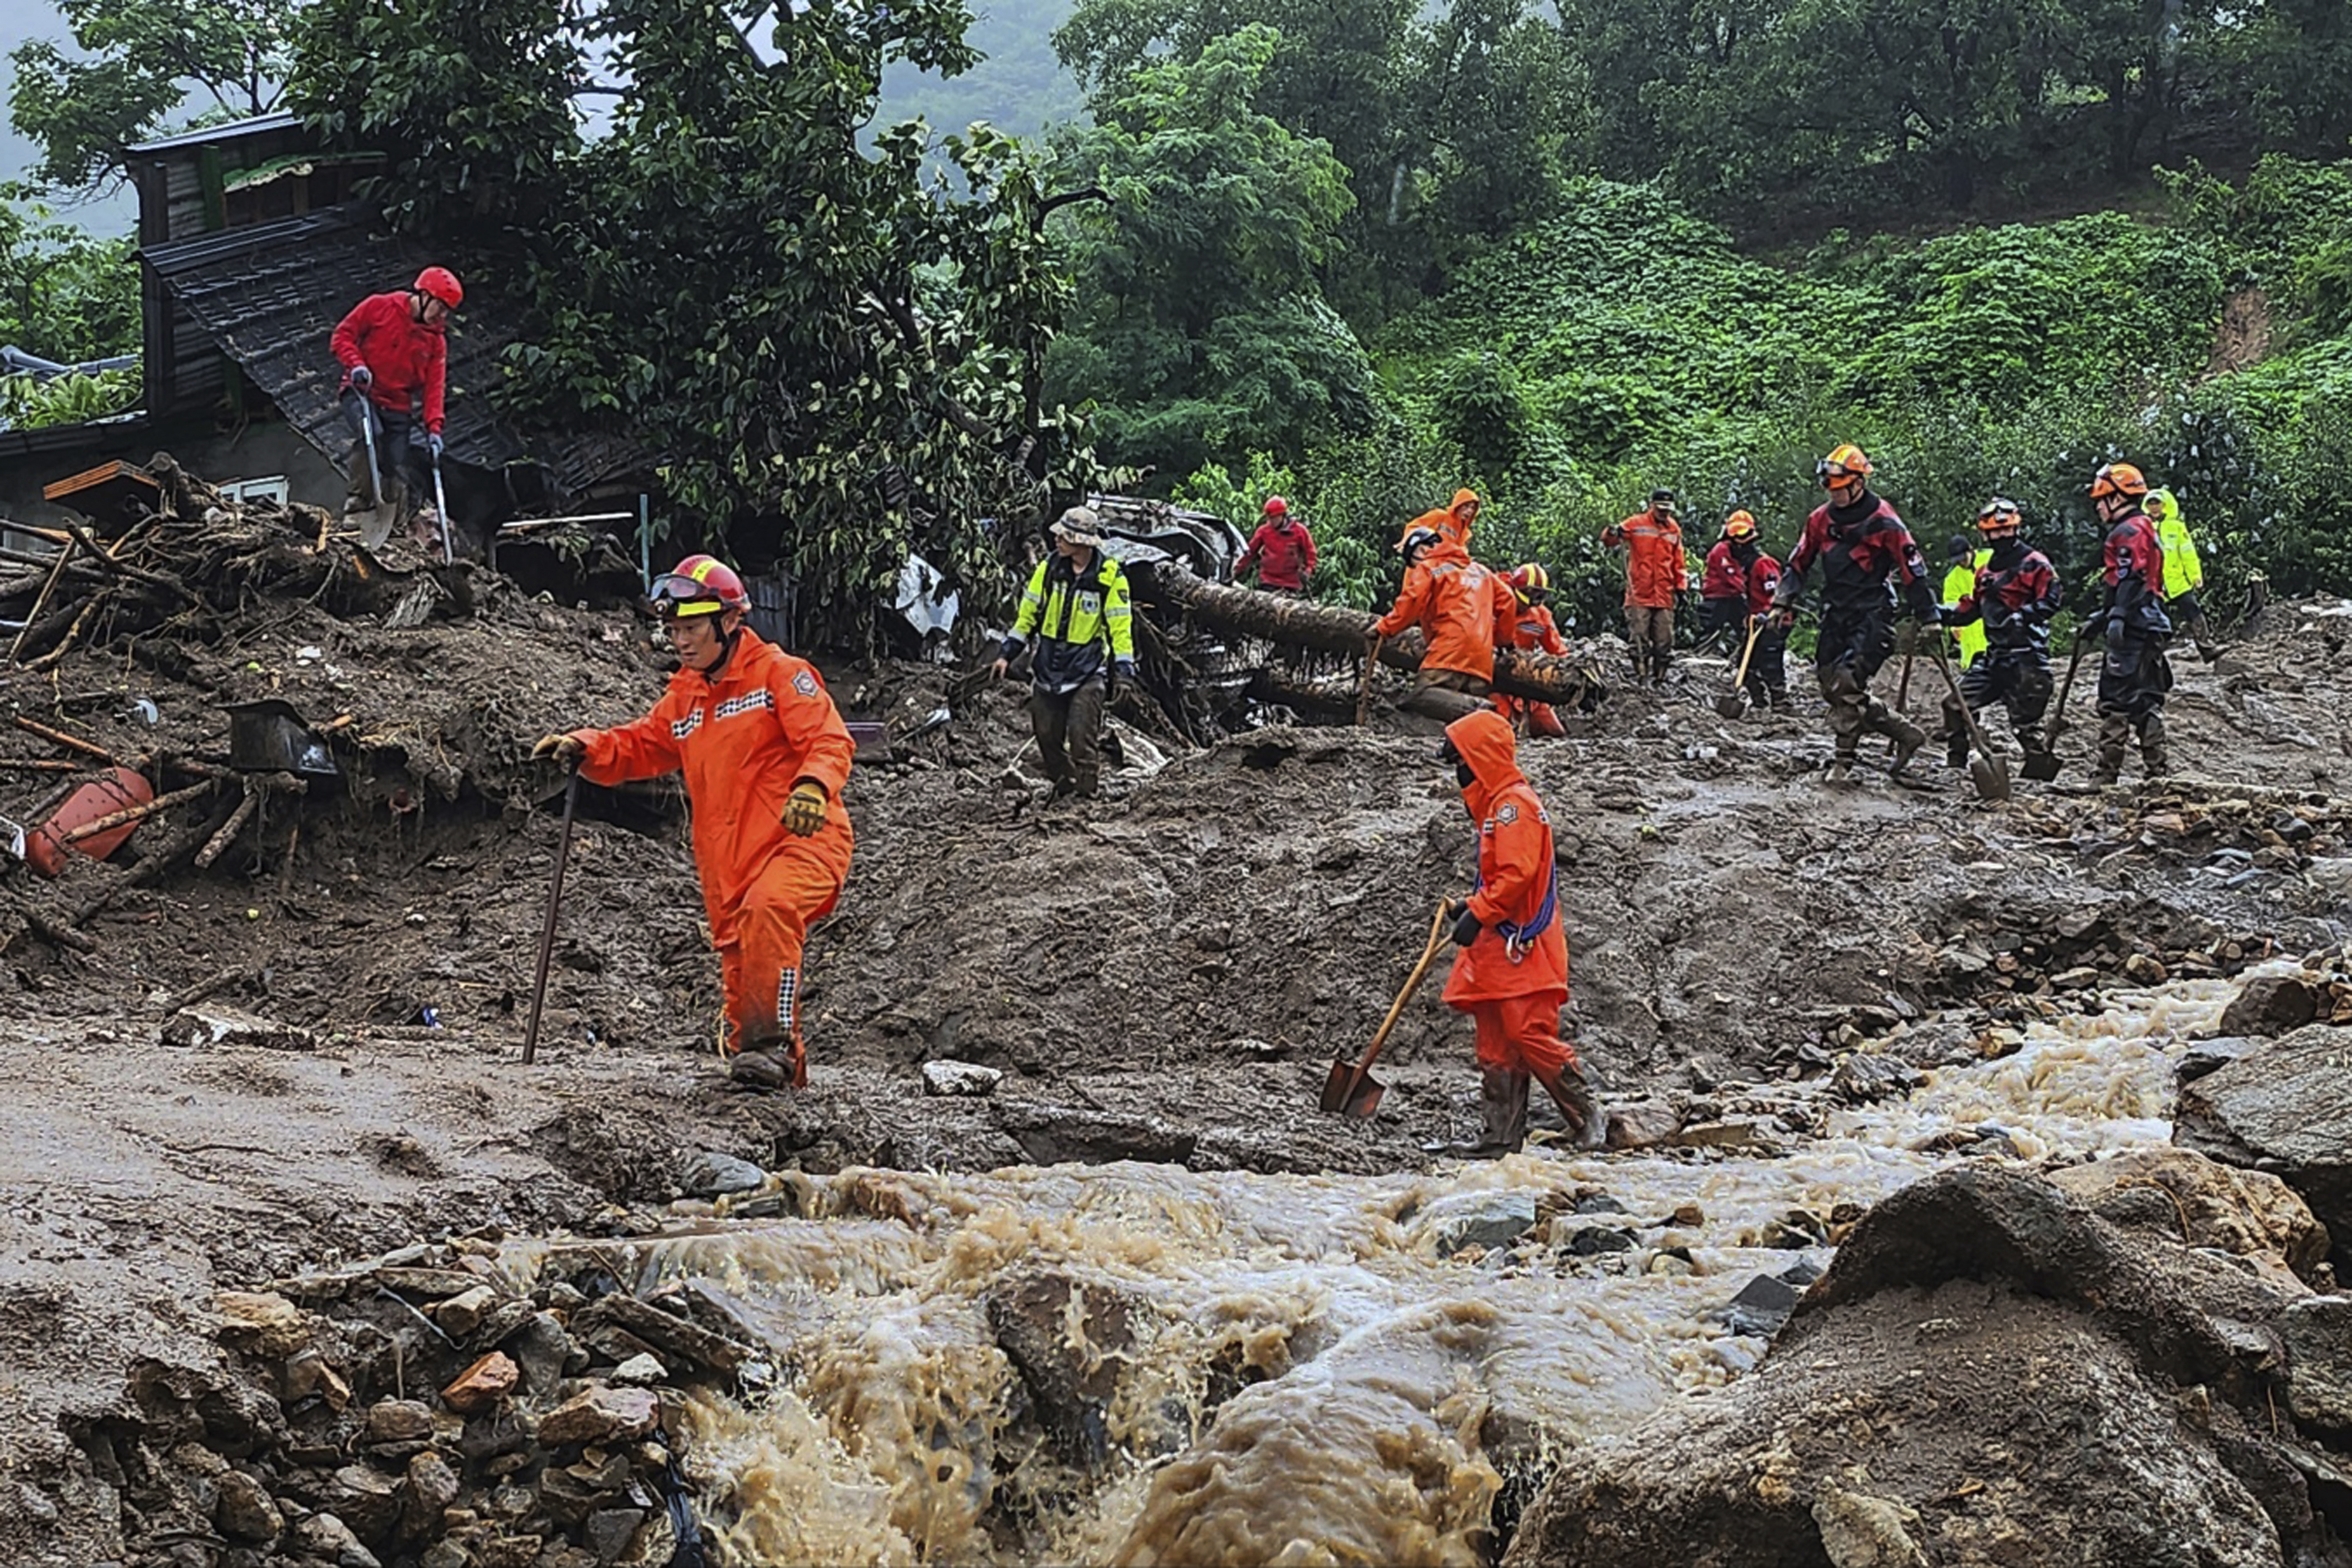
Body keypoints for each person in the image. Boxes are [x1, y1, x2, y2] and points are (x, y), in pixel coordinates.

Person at [533, 555, 853, 1091]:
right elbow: (642, 745)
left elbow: (828, 739)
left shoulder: (780, 674)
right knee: (739, 967)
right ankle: (776, 1089)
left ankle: (769, 1050)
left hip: (800, 840)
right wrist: (585, 746)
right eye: (673, 630)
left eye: (691, 629)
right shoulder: (687, 694)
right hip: (727, 860)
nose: (680, 641)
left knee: (770, 910)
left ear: (729, 622)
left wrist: (813, 786)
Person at [1434, 710, 1603, 1156]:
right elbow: (1503, 876)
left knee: (1529, 1033)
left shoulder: (1514, 807)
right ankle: (1500, 1138)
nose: (1459, 770)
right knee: (1495, 1040)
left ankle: (1587, 1118)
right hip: (1500, 941)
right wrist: (1471, 907)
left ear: (1482, 757)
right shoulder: (1498, 807)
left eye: (1463, 758)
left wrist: (1480, 910)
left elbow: (1518, 874)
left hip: (1521, 942)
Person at [1770, 445, 1938, 784]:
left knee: (1848, 680)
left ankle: (1843, 762)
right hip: (1837, 608)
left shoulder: (1885, 522)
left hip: (1874, 609)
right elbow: (1799, 563)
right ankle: (1903, 732)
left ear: (1858, 483)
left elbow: (1912, 569)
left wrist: (1930, 616)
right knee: (1830, 684)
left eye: (1840, 488)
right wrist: (1782, 601)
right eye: (1829, 488)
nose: (1835, 495)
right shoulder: (1820, 520)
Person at [992, 507, 1136, 800]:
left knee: (1083, 739)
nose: (1056, 539)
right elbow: (1027, 617)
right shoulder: (1048, 569)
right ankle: (1065, 784)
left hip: (1087, 671)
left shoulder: (1110, 577)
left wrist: (1124, 674)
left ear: (1082, 541)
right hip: (1047, 668)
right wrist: (1007, 654)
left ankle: (1086, 799)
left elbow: (1121, 630)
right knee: (1046, 736)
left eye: (1064, 536)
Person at [331, 266, 461, 524]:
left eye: (447, 311)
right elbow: (342, 336)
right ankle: (358, 505)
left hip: (398, 405)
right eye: (441, 307)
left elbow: (435, 388)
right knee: (372, 436)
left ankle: (394, 523)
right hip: (362, 391)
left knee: (399, 463)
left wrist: (434, 429)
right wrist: (356, 364)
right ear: (424, 297)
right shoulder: (380, 306)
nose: (443, 315)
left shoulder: (436, 341)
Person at [1940, 499, 2060, 772]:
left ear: (2016, 530)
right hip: (1995, 657)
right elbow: (1972, 608)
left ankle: (2039, 775)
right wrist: (1941, 614)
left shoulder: (2036, 564)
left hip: (2028, 657)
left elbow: (2051, 601)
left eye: (2007, 531)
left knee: (2026, 727)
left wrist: (2024, 616)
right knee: (1955, 705)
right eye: (1996, 533)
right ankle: (1955, 765)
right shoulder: (1985, 572)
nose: (2002, 537)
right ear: (1986, 534)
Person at [2085, 462, 2173, 784]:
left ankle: (2105, 776)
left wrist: (2119, 617)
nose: (2098, 507)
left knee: (2115, 698)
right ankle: (2158, 773)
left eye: (2102, 499)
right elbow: (2123, 582)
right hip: (2152, 622)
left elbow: (2130, 577)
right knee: (2145, 699)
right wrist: (2103, 616)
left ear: (2118, 499)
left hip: (2136, 624)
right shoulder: (2144, 526)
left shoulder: (2127, 531)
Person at [1371, 525, 1507, 703]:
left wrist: (1385, 628)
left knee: (1420, 700)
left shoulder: (1429, 568)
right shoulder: (1482, 571)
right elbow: (1508, 600)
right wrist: (1501, 639)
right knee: (1471, 715)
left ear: (1421, 549)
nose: (1416, 567)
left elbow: (1411, 602)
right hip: (1482, 663)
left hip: (1448, 654)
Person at [1602, 488, 1687, 684]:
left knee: (1664, 639)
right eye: (1661, 509)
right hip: (1639, 592)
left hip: (1665, 593)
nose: (1665, 513)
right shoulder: (1636, 524)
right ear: (1652, 506)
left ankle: (1660, 678)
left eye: (1668, 509)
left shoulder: (1674, 529)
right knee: (1639, 638)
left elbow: (1679, 561)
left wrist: (1681, 587)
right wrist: (1611, 532)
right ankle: (1642, 677)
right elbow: (1611, 541)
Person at [1714, 512, 1786, 708]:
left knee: (1770, 663)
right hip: (1756, 620)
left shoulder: (1763, 564)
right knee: (1745, 665)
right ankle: (1759, 702)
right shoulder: (1746, 566)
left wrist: (1768, 613)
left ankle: (1781, 702)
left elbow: (1776, 592)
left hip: (1773, 621)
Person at [1497, 564, 1568, 737]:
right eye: (1532, 594)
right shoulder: (1493, 604)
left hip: (1526, 678)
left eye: (1540, 594)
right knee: (1500, 727)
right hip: (1495, 680)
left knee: (1555, 732)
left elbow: (1558, 650)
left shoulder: (1541, 616)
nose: (1534, 600)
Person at [2146, 487, 2218, 660]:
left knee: (2193, 610)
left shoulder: (2177, 527)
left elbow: (2188, 554)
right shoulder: (2145, 527)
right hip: (2155, 584)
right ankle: (2154, 657)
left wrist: (2195, 576)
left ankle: (2206, 648)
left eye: (2158, 504)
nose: (2155, 508)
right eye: (2151, 504)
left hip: (2177, 581)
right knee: (2157, 620)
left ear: (2166, 505)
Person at [1698, 511, 1760, 651]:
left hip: (1735, 596)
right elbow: (1731, 576)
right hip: (1717, 596)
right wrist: (1748, 590)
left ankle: (1747, 654)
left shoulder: (1748, 551)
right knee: (1711, 629)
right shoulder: (1721, 550)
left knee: (1745, 627)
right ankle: (1705, 653)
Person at [1233, 495, 1317, 595]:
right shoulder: (1264, 531)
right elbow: (1250, 552)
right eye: (1269, 518)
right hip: (1269, 580)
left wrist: (1308, 571)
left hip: (1291, 583)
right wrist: (1237, 570)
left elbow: (1311, 553)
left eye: (1274, 518)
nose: (1271, 522)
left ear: (1283, 515)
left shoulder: (1299, 531)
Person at [1941, 533, 1989, 671]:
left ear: (1971, 550)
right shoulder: (1952, 579)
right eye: (1958, 560)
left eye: (1963, 558)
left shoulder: (1991, 559)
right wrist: (1953, 627)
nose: (1961, 562)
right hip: (1971, 638)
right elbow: (1950, 604)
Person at [1406, 488, 1483, 553]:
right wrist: (1406, 543)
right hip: (1424, 561)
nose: (1470, 511)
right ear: (1458, 505)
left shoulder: (1465, 533)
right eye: (1466, 506)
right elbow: (1414, 527)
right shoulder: (1440, 516)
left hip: (1442, 567)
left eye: (1473, 508)